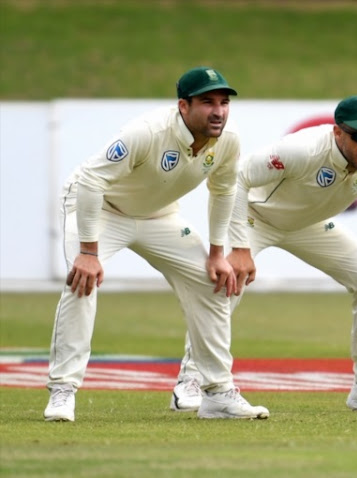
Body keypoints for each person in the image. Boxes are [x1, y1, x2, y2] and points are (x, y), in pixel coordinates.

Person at [44, 66, 269, 421]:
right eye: (207, 102)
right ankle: (62, 391)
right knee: (82, 283)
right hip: (101, 209)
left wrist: (216, 254)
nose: (218, 111)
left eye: (224, 102)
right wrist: (89, 252)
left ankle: (216, 393)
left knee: (215, 283)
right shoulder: (147, 132)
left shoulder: (228, 138)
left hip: (160, 216)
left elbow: (224, 190)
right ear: (183, 106)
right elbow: (90, 181)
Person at [170, 95, 357, 412]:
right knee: (226, 285)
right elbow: (238, 177)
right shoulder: (303, 149)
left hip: (309, 225)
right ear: (338, 133)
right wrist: (241, 247)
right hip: (256, 218)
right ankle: (191, 380)